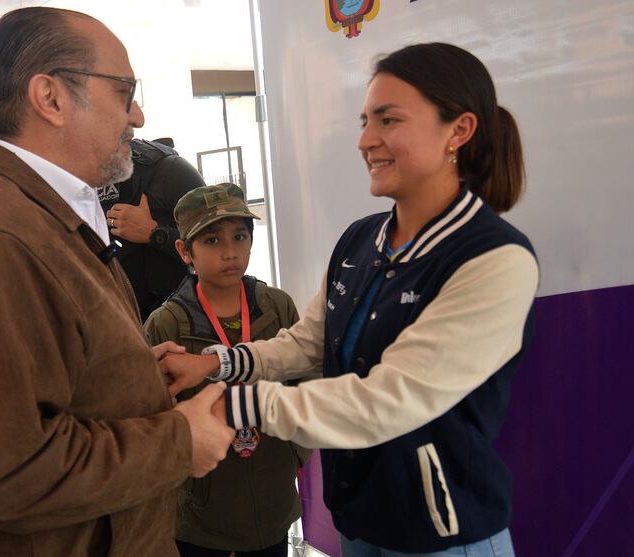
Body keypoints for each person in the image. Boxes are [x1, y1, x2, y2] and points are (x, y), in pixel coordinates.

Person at [161, 43, 539, 557]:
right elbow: (306, 344)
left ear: (459, 130)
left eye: (388, 120)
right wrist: (211, 363)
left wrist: (233, 405)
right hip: (360, 514)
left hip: (440, 532)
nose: (365, 140)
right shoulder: (361, 240)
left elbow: (386, 400)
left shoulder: (494, 259)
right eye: (365, 121)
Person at [0, 7, 233, 556]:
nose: (139, 116)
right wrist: (178, 442)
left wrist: (123, 374)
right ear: (49, 97)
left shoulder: (34, 211)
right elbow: (2, 473)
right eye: (125, 91)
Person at [144, 183, 311, 557]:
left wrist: (292, 455)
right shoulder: (167, 324)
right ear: (185, 251)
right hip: (203, 516)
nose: (231, 252)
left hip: (272, 501)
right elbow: (153, 415)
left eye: (239, 236)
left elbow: (306, 380)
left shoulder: (277, 306)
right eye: (212, 241)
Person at [99, 138, 207, 321]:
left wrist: (154, 233)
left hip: (180, 320)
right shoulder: (75, 179)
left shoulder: (171, 171)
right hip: (115, 321)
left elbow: (216, 253)